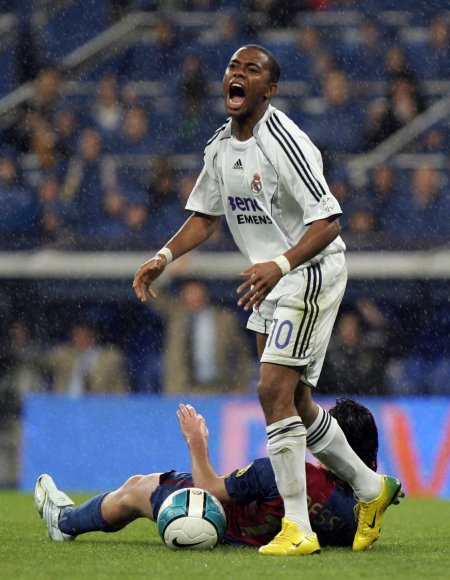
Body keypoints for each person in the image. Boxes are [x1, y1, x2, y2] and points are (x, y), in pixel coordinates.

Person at [132, 45, 402, 555]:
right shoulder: (219, 147)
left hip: (308, 270)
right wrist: (164, 256)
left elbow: (329, 221)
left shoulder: (285, 140)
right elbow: (206, 215)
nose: (238, 74)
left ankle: (297, 526)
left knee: (272, 390)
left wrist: (278, 265)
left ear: (269, 90)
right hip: (270, 278)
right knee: (295, 401)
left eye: (251, 70)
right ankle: (371, 487)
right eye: (233, 67)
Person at [35, 400, 402, 548]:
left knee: (135, 489)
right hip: (254, 539)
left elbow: (209, 486)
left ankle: (63, 522)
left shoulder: (281, 471)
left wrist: (197, 442)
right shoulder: (363, 512)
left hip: (219, 520)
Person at [151, 280, 252, 394]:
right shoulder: (176, 315)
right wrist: (169, 275)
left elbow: (242, 354)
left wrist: (242, 384)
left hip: (221, 389)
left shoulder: (224, 320)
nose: (193, 298)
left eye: (197, 293)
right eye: (189, 294)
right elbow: (149, 292)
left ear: (205, 295)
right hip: (182, 390)